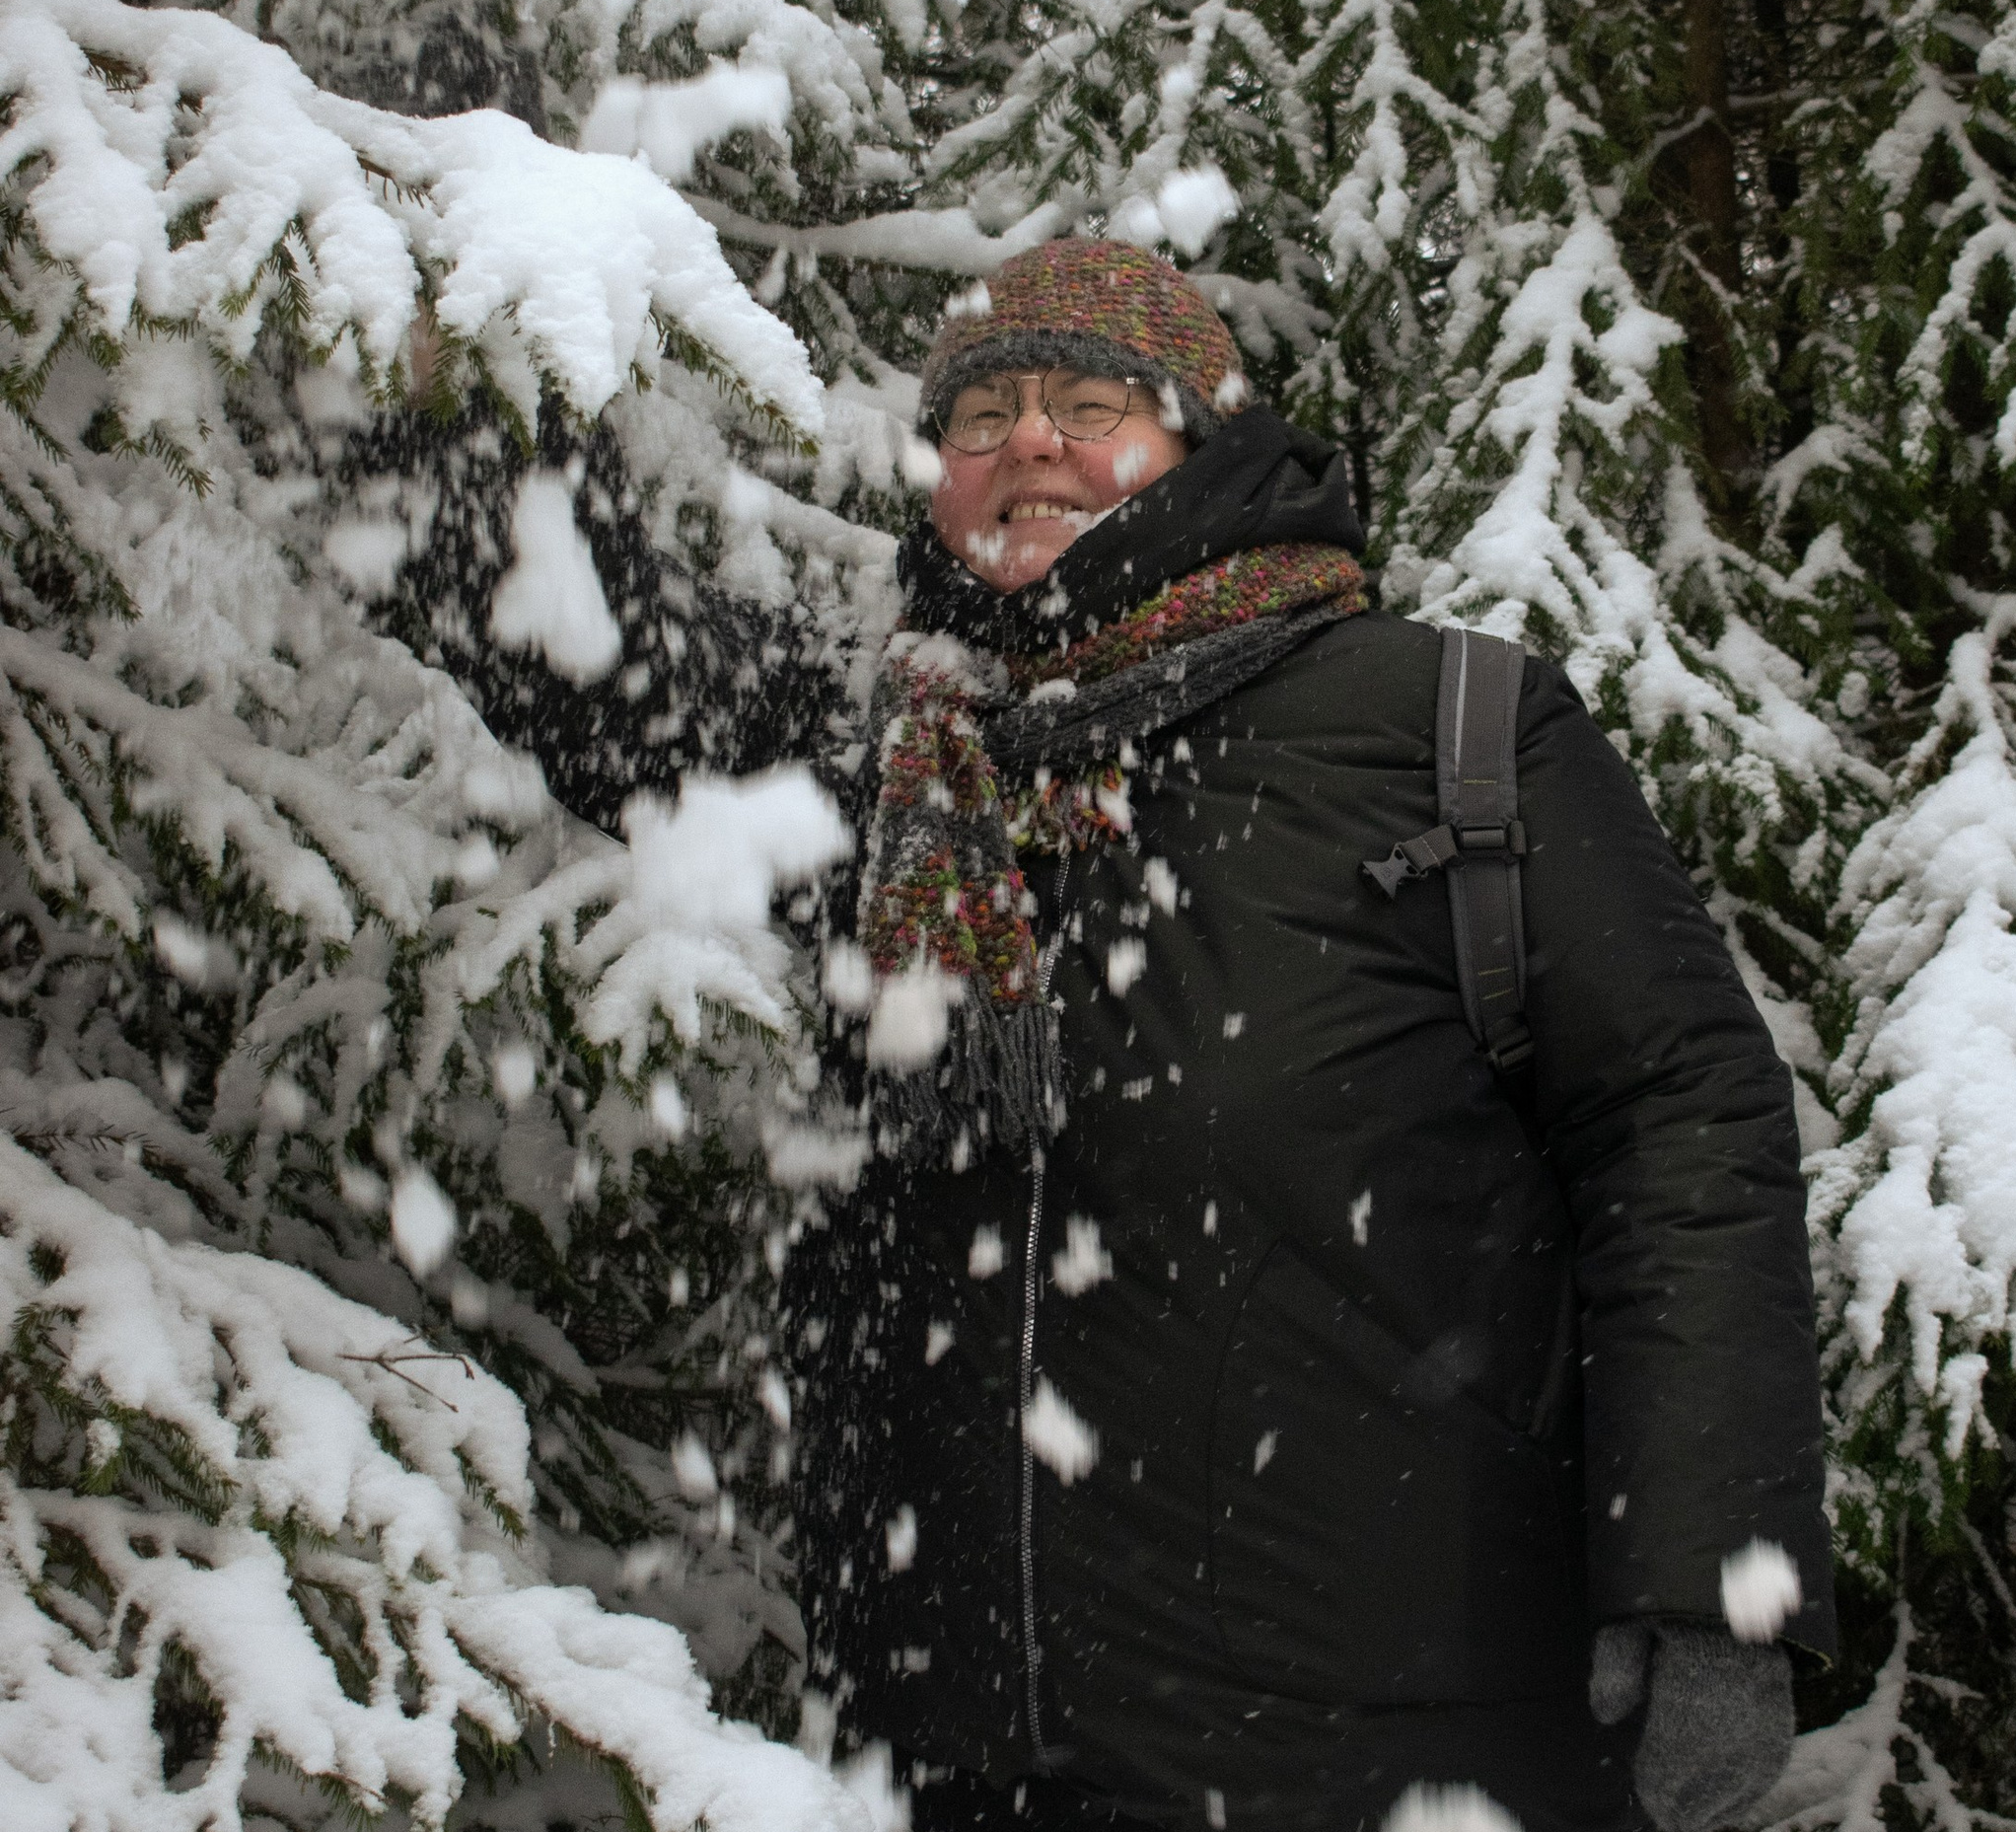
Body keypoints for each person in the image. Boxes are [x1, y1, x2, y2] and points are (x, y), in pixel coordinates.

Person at [364, 239, 1835, 1832]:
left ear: (1198, 445)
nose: (1030, 443)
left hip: (1388, 1749)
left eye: (1089, 404)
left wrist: (1711, 1586)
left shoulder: (1441, 731)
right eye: (980, 415)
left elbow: (1683, 1127)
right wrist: (425, 401)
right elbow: (613, 673)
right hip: (960, 1747)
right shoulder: (907, 759)